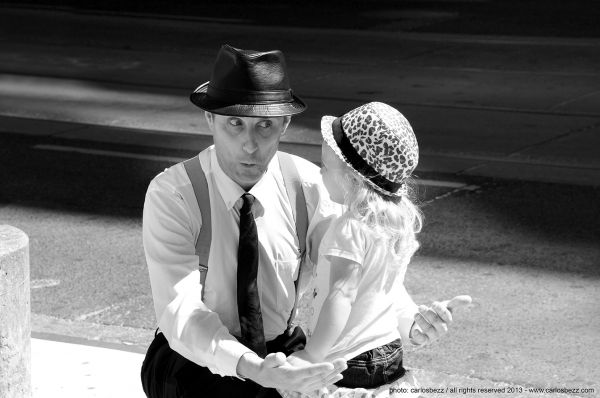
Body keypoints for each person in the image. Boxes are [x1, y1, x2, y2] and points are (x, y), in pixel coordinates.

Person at [140, 44, 468, 398]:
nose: (249, 144)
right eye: (235, 123)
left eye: (265, 125)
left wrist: (409, 321)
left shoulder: (310, 185)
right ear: (210, 120)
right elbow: (181, 313)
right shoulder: (174, 194)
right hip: (196, 358)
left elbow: (356, 271)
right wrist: (253, 368)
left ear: (285, 123)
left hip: (281, 353)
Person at [280, 102, 472, 397]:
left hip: (350, 358)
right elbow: (387, 290)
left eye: (325, 167)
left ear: (352, 178)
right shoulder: (392, 224)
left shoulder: (349, 228)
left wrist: (311, 356)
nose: (320, 175)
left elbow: (341, 295)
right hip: (389, 350)